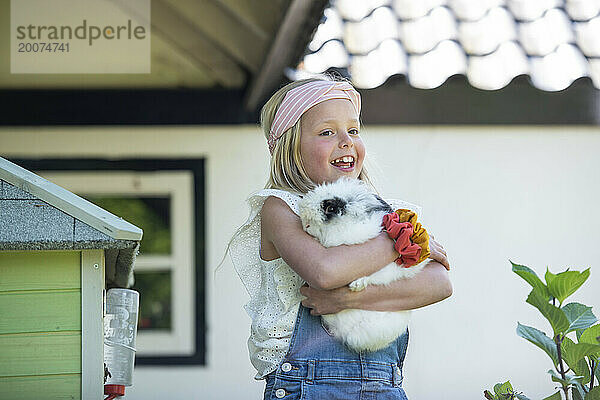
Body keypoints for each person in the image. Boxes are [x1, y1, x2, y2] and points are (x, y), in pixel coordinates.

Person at [228, 77, 452, 400]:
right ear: (291, 148)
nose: (346, 141)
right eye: (327, 132)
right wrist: (402, 241)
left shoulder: (381, 210)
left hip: (384, 388)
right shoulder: (281, 209)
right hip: (306, 388)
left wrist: (349, 300)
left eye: (353, 130)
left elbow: (439, 283)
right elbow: (325, 272)